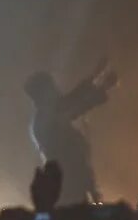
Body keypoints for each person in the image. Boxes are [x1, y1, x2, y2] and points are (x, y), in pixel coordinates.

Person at [23, 60, 118, 205]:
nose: (57, 90)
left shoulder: (45, 116)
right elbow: (74, 104)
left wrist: (97, 80)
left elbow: (73, 102)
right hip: (68, 186)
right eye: (52, 88)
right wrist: (99, 82)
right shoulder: (46, 119)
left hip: (70, 183)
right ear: (44, 94)